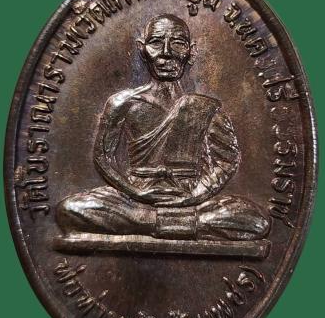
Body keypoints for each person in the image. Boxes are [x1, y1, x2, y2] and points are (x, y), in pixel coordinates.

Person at [56, 14, 269, 241]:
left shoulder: (205, 107)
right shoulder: (122, 103)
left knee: (256, 220)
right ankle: (176, 223)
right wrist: (137, 192)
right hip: (136, 198)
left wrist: (194, 196)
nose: (167, 52)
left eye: (177, 43)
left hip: (191, 197)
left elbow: (226, 161)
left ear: (190, 51)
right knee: (71, 209)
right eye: (156, 42)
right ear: (142, 49)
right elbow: (103, 157)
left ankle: (148, 221)